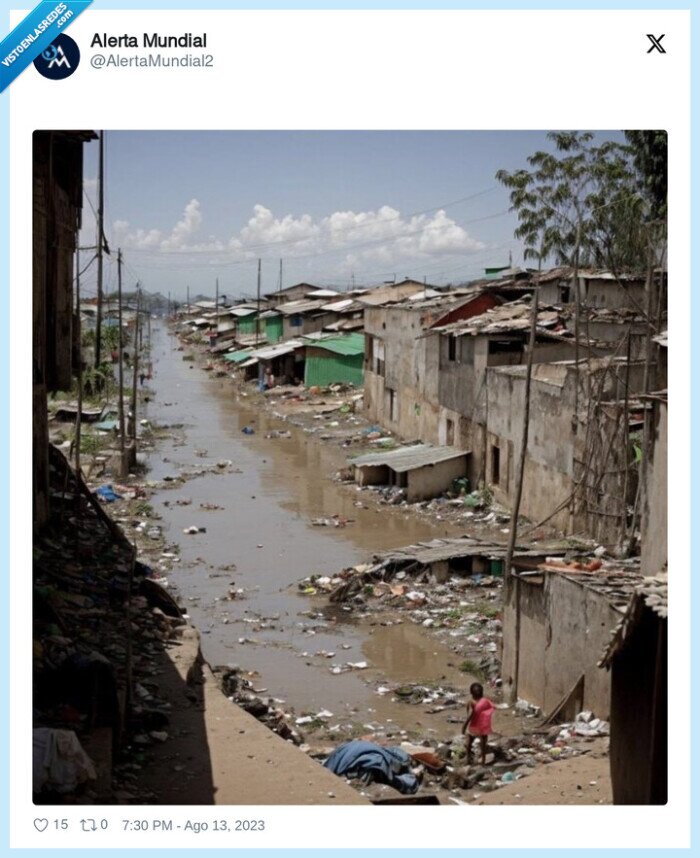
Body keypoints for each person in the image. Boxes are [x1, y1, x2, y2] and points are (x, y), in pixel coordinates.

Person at [462, 682, 494, 766]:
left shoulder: (474, 702)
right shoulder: (482, 701)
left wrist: (463, 728)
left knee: (471, 744)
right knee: (479, 744)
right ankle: (479, 761)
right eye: (477, 691)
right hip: (479, 726)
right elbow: (489, 712)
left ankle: (472, 760)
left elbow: (469, 716)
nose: (478, 692)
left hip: (477, 726)